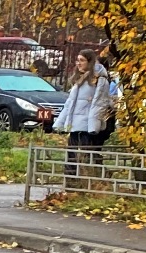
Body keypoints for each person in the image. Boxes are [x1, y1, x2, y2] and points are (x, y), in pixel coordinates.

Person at [53, 49, 111, 177]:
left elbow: (99, 105)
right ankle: (70, 185)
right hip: (75, 127)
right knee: (72, 159)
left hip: (87, 129)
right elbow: (69, 104)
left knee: (85, 159)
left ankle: (86, 186)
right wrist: (60, 123)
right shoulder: (80, 80)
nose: (78, 63)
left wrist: (93, 127)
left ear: (90, 62)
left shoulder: (99, 80)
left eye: (82, 60)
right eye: (77, 60)